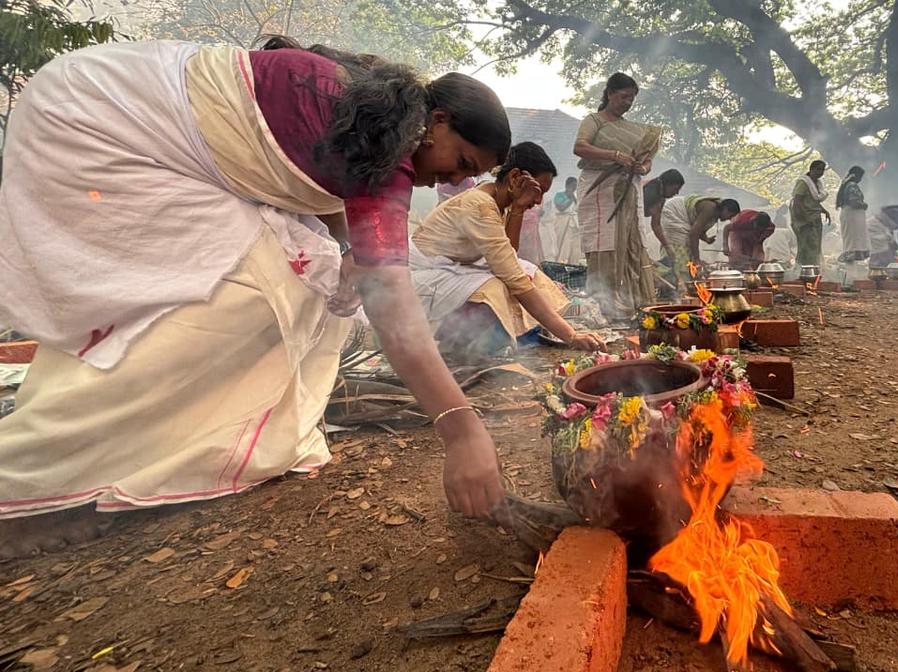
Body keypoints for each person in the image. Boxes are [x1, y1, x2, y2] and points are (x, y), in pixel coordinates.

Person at [0, 37, 514, 557]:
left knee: (309, 283)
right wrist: (461, 431)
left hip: (97, 110)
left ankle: (162, 455)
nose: (454, 180)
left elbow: (314, 185)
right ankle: (25, 490)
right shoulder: (391, 144)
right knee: (254, 290)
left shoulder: (372, 115)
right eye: (461, 162)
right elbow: (391, 307)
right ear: (438, 120)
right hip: (95, 127)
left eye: (468, 176)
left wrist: (353, 251)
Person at [410, 142, 603, 359]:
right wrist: (571, 336)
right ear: (514, 177)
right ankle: (459, 345)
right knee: (494, 288)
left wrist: (518, 209)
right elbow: (513, 277)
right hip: (424, 276)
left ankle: (525, 334)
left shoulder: (497, 200)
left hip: (454, 270)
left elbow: (510, 253)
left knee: (529, 270)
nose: (539, 201)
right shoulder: (479, 206)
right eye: (538, 191)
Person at [573, 72, 661, 320]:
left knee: (632, 241)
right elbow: (580, 147)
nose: (628, 103)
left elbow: (647, 159)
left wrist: (643, 167)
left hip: (629, 189)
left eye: (632, 98)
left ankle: (635, 305)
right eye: (624, 97)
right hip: (599, 190)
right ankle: (606, 306)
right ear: (610, 93)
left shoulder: (634, 129)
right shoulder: (594, 120)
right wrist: (614, 155)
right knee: (604, 242)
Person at [660, 195, 742, 270]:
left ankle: (684, 270)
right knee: (680, 245)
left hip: (682, 217)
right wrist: (697, 259)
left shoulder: (715, 215)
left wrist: (706, 239)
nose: (729, 219)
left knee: (688, 249)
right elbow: (694, 234)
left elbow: (699, 230)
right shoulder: (710, 209)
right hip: (674, 212)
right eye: (730, 216)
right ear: (726, 209)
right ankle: (675, 272)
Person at [790, 160, 830, 268]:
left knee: (816, 246)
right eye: (818, 169)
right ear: (811, 169)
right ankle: (806, 270)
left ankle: (814, 269)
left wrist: (824, 210)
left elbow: (812, 202)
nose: (820, 172)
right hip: (805, 220)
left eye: (822, 170)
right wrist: (806, 218)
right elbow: (797, 201)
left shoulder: (817, 184)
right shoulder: (803, 182)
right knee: (808, 246)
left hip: (815, 218)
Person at [643, 168, 686, 262]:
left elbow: (656, 225)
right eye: (675, 189)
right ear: (667, 184)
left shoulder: (661, 199)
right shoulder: (647, 191)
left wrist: (667, 246)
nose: (676, 193)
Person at [545, 177, 583, 265]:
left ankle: (573, 263)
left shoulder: (575, 197)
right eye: (573, 186)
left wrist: (574, 198)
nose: (574, 188)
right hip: (562, 221)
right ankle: (560, 262)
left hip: (573, 224)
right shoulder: (559, 195)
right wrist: (570, 198)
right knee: (561, 244)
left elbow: (577, 209)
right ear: (567, 185)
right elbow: (561, 208)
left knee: (573, 247)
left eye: (575, 186)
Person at [835, 166, 869, 263]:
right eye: (860, 177)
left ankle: (851, 267)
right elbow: (854, 202)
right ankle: (851, 266)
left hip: (850, 215)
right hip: (853, 217)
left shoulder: (846, 185)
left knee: (851, 242)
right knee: (854, 243)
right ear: (856, 175)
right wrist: (864, 205)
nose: (861, 179)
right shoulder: (852, 185)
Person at [868, 203, 898, 268]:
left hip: (882, 228)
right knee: (883, 254)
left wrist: (894, 245)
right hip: (875, 226)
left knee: (890, 255)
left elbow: (897, 237)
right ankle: (876, 271)